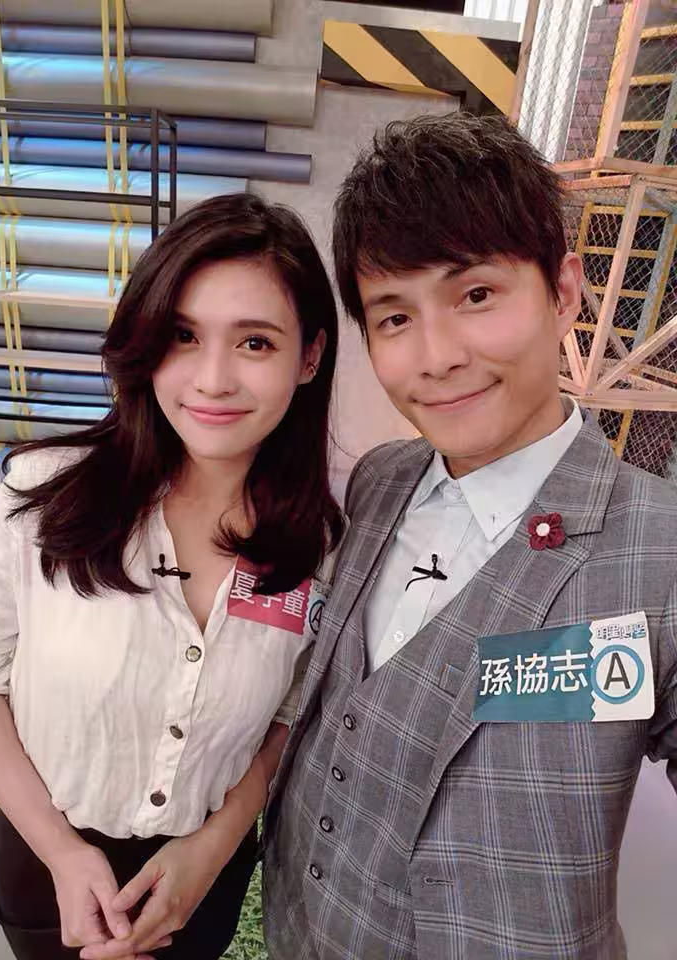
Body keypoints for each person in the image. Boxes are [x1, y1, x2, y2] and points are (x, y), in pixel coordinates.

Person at [262, 113, 677, 959]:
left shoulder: (659, 550)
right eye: (393, 318)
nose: (437, 356)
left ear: (563, 293)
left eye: (476, 295)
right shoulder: (381, 480)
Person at [0, 192, 344, 960]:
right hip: (46, 863)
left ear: (309, 357)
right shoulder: (43, 500)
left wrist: (213, 848)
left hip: (205, 878)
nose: (213, 379)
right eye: (182, 335)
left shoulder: (321, 545)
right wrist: (62, 853)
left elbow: (290, 714)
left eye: (256, 342)